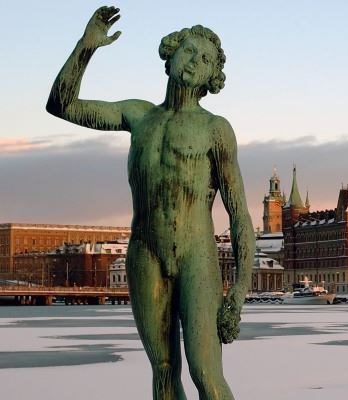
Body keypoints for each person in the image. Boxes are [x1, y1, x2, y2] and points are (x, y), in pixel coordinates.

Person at [46, 6, 253, 399]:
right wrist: (85, 49)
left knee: (206, 372)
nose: (195, 61)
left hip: (197, 256)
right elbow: (62, 105)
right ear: (170, 54)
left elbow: (240, 216)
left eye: (206, 59)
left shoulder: (215, 130)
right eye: (189, 51)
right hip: (145, 253)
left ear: (212, 77)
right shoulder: (138, 116)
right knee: (162, 371)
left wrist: (237, 297)